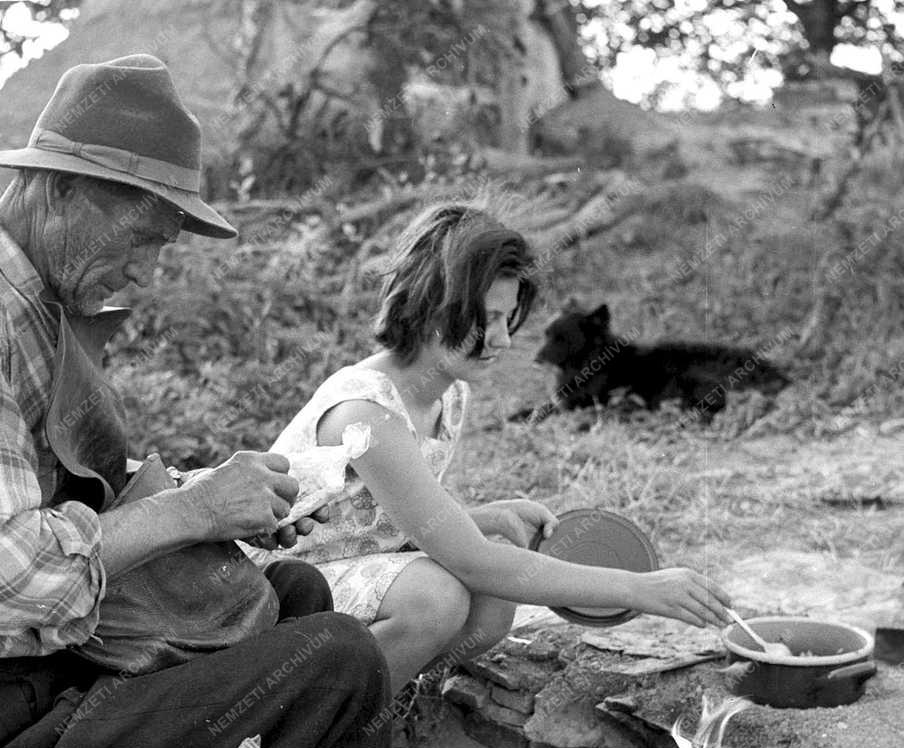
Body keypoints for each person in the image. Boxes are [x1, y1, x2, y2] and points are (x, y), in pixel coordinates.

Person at [0, 55, 392, 748]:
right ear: (59, 191)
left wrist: (228, 502)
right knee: (339, 661)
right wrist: (189, 508)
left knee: (297, 593)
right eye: (144, 238)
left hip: (50, 666)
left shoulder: (30, 299)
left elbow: (94, 496)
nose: (148, 272)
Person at [266, 203, 734, 700]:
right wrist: (637, 588)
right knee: (436, 598)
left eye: (508, 319)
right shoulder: (366, 411)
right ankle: (321, 725)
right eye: (485, 319)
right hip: (275, 593)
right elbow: (473, 563)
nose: (503, 340)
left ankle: (383, 694)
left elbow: (374, 513)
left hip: (343, 564)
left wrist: (478, 517)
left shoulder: (447, 391)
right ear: (430, 305)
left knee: (492, 602)